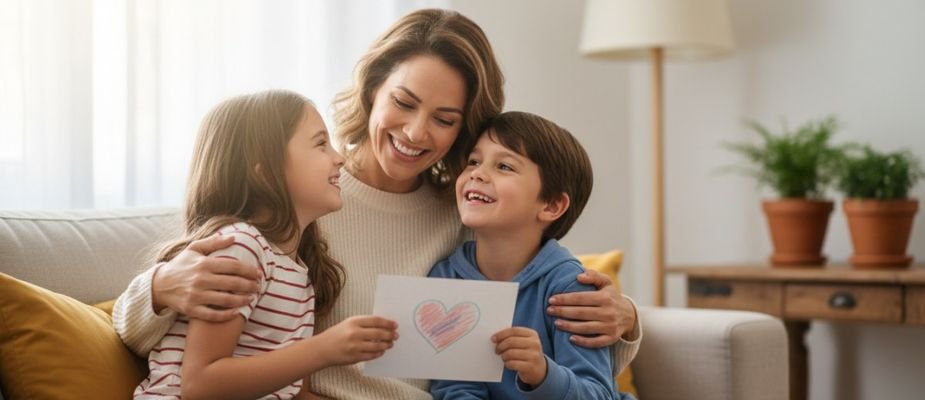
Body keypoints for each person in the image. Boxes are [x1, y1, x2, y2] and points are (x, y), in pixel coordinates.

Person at [114, 9, 640, 399]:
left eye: (444, 118)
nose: (415, 132)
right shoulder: (300, 199)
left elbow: (540, 294)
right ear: (372, 90)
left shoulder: (465, 211)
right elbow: (154, 341)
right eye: (404, 103)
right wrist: (159, 289)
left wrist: (626, 319)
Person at [133, 90, 399, 399]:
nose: (339, 158)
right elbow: (200, 386)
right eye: (320, 144)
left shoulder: (298, 270)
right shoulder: (240, 249)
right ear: (266, 175)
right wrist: (324, 350)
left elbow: (291, 393)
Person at [428, 111, 620, 399]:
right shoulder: (445, 278)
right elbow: (455, 388)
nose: (477, 173)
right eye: (474, 161)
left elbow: (598, 394)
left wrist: (543, 374)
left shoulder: (571, 288)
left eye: (504, 166)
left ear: (552, 205)